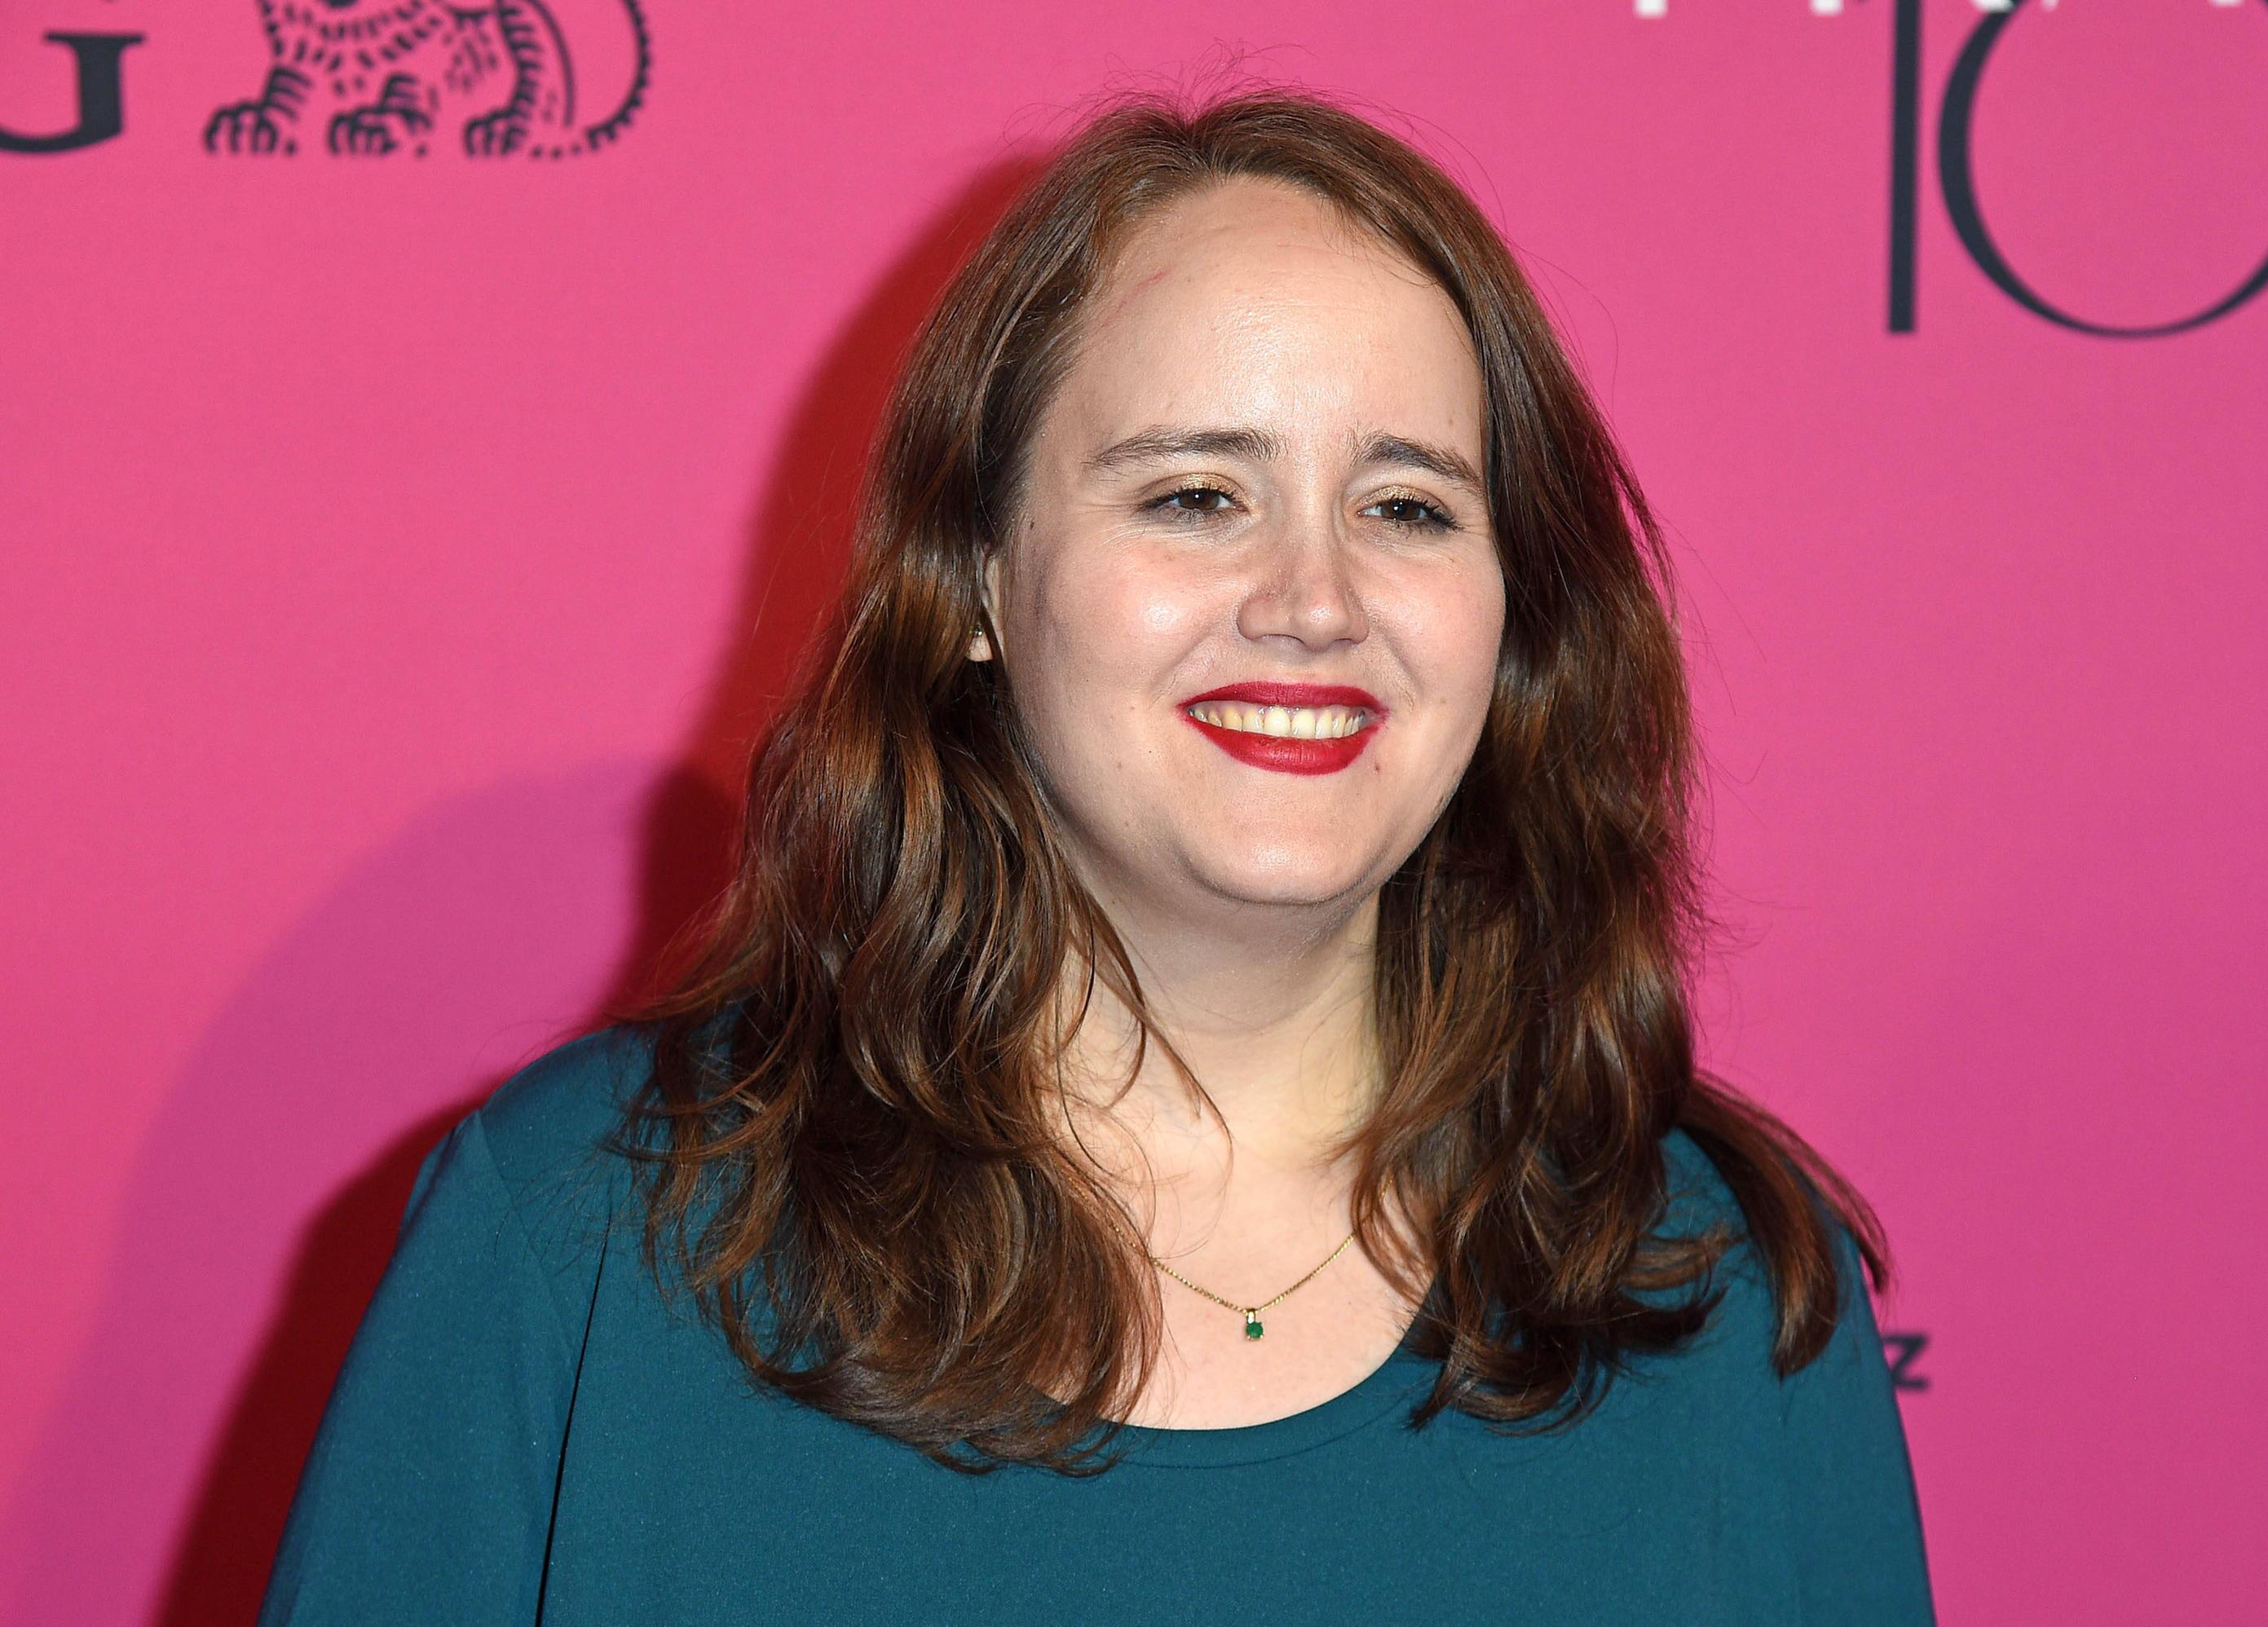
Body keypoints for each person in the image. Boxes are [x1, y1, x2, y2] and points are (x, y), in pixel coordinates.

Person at [259, 85, 1936, 1624]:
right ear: (981, 581)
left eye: (1408, 506)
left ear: (1516, 620)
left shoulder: (1724, 1283)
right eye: (1196, 495)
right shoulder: (585, 1236)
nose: (1314, 602)